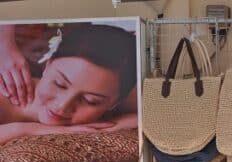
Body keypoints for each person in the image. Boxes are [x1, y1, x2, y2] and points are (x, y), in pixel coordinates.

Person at [0, 23, 137, 145]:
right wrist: (28, 130)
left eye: (90, 101)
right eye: (59, 84)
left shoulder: (118, 95)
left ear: (114, 104)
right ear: (47, 66)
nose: (62, 106)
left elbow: (149, 117)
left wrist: (112, 127)